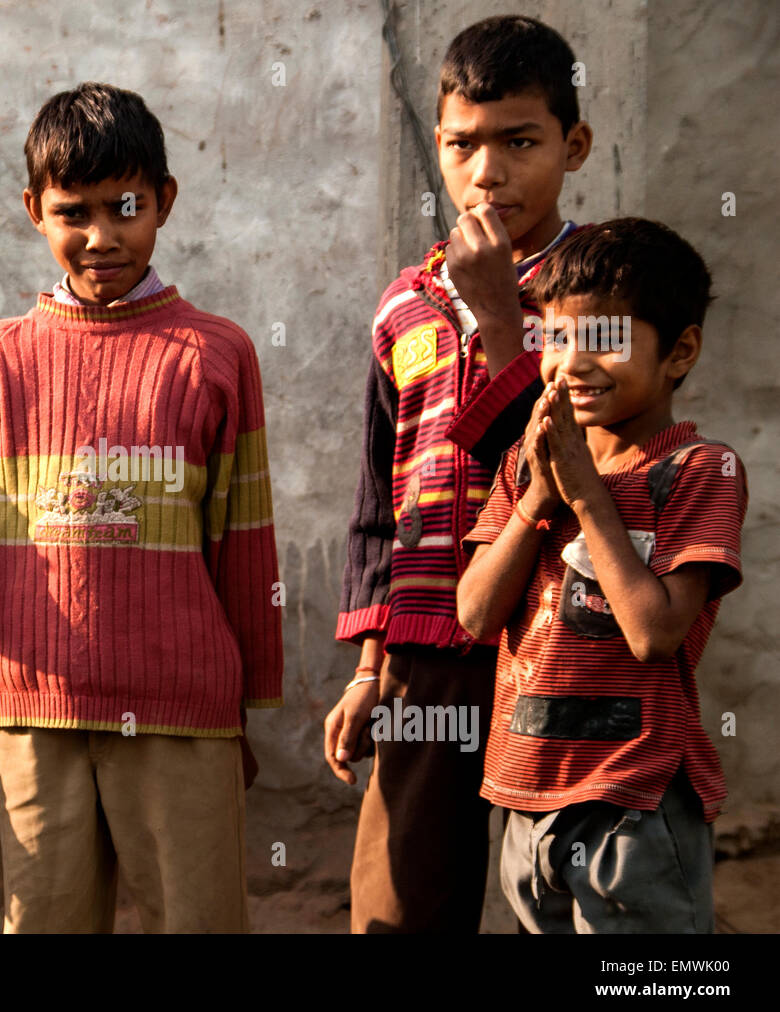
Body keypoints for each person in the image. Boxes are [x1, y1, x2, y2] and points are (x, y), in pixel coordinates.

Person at [0, 81, 282, 934]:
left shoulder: (217, 354)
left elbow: (244, 536)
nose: (101, 237)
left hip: (182, 701)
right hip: (37, 705)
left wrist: (243, 706)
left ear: (164, 203)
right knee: (43, 921)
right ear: (35, 210)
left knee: (199, 919)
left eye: (126, 207)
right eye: (74, 212)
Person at [324, 15, 594, 932]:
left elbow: (575, 472)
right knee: (400, 898)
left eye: (520, 142)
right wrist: (372, 667)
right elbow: (380, 501)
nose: (489, 172)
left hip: (558, 640)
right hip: (429, 650)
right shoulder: (407, 305)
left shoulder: (603, 295)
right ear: (438, 148)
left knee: (563, 889)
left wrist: (502, 319)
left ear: (573, 145)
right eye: (463, 144)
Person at [458, 218, 745, 933]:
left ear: (680, 351)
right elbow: (474, 615)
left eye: (606, 341)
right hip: (524, 788)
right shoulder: (529, 465)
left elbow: (653, 634)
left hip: (634, 800)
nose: (573, 364)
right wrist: (538, 499)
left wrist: (587, 496)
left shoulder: (698, 472)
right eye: (556, 339)